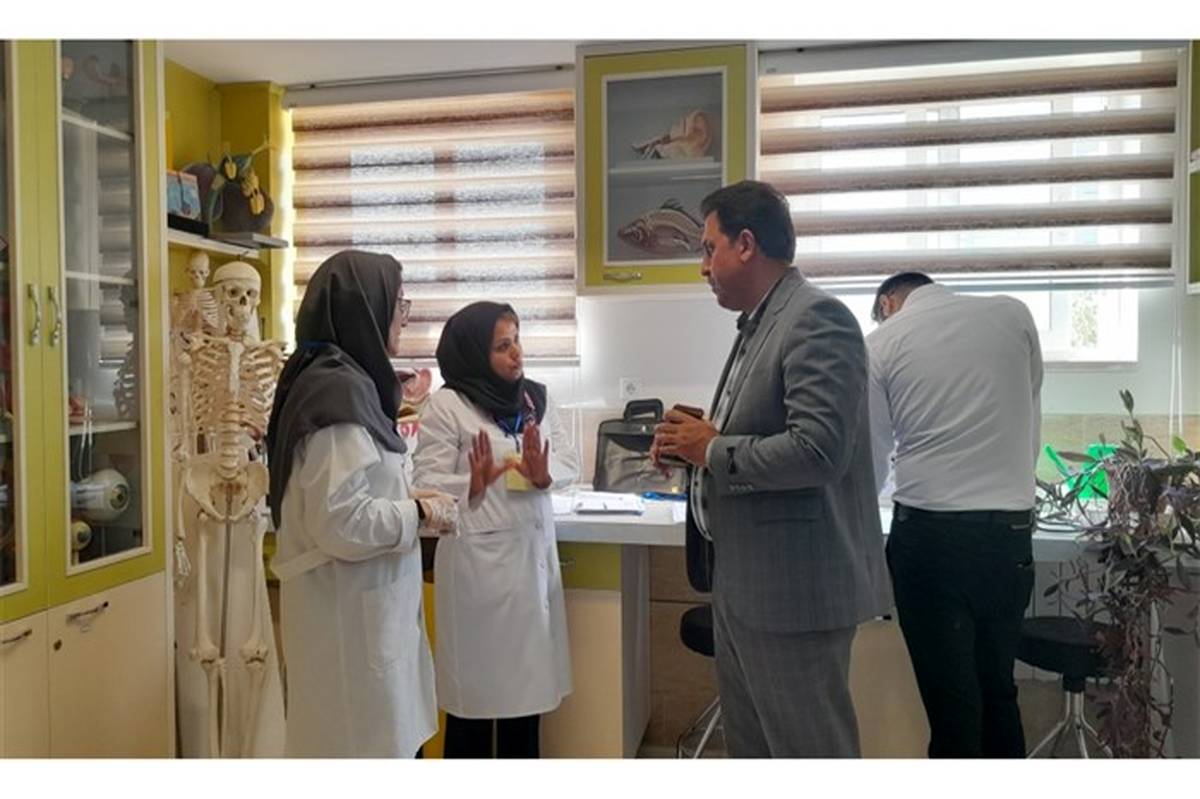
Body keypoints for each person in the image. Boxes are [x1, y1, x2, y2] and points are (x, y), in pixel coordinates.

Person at [651, 180, 889, 758]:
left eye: (708, 248)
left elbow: (818, 451)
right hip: (745, 586)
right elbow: (755, 435)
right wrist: (692, 445)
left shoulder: (816, 318)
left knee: (810, 756)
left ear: (746, 244)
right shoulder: (759, 323)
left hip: (793, 593)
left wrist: (711, 450)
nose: (702, 267)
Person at [265, 250, 458, 758]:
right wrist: (419, 513)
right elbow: (340, 521)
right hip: (348, 631)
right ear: (364, 307)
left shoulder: (343, 383)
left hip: (361, 618)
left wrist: (407, 497)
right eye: (398, 303)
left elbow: (348, 491)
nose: (403, 317)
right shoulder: (337, 395)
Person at [866, 271, 1043, 758]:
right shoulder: (1013, 314)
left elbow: (874, 458)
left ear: (888, 303)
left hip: (931, 543)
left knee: (952, 710)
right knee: (999, 693)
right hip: (1009, 539)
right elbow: (1028, 419)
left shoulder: (882, 343)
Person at [413, 301, 580, 758]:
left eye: (517, 340)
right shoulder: (448, 405)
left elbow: (568, 459)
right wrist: (473, 481)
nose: (517, 353)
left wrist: (544, 475)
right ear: (474, 354)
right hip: (478, 582)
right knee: (472, 712)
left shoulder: (535, 400)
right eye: (502, 346)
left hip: (531, 575)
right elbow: (424, 482)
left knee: (525, 711)